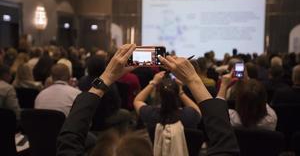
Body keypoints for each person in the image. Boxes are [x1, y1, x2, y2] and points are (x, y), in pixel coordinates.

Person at [56, 44, 239, 156]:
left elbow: (69, 136)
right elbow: (225, 144)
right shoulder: (191, 115)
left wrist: (107, 77)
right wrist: (193, 81)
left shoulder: (149, 114)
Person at [133, 71, 201, 130]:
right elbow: (197, 111)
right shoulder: (188, 115)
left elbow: (137, 101)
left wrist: (153, 82)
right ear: (177, 94)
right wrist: (181, 92)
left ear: (159, 94)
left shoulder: (150, 114)